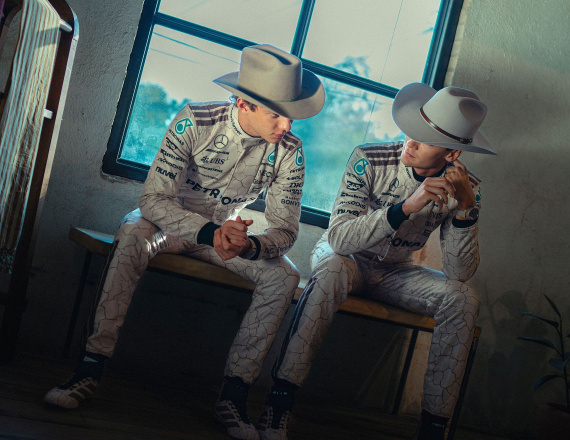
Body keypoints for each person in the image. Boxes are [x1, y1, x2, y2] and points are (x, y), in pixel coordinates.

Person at [44, 44, 325, 440]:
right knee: (132, 232)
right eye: (276, 114)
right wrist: (211, 232)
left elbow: (285, 230)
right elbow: (153, 200)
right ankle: (89, 369)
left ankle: (233, 396)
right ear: (243, 103)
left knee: (284, 276)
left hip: (224, 239)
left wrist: (248, 245)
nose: (286, 125)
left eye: (290, 115)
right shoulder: (195, 119)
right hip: (169, 224)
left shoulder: (290, 151)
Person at [258, 83, 496, 440]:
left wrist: (466, 210)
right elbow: (339, 240)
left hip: (395, 272)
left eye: (426, 140)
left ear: (452, 155)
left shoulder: (467, 188)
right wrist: (406, 208)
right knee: (333, 268)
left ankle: (433, 430)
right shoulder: (369, 158)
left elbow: (459, 273)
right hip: (346, 259)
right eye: (413, 130)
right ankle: (279, 402)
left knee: (464, 299)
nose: (410, 142)